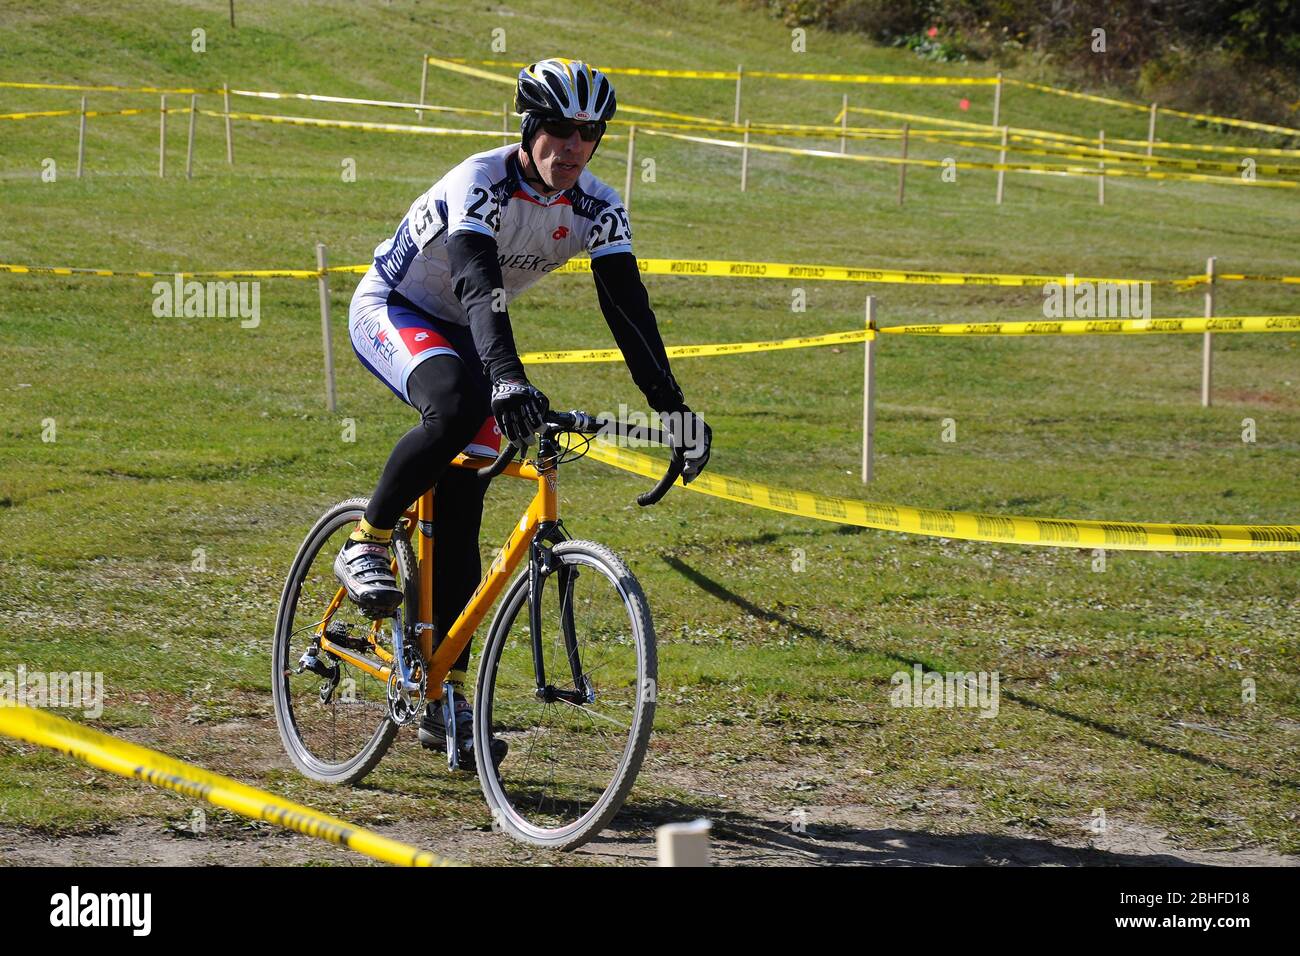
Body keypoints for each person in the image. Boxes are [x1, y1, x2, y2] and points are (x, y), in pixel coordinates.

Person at [335, 58, 712, 770]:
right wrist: (506, 379)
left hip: (468, 332)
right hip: (398, 309)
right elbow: (478, 285)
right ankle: (368, 538)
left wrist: (676, 410)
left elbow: (629, 312)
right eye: (561, 131)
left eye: (589, 134)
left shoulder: (597, 206)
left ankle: (443, 694)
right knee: (456, 407)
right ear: (531, 127)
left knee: (466, 499)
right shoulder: (479, 181)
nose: (573, 147)